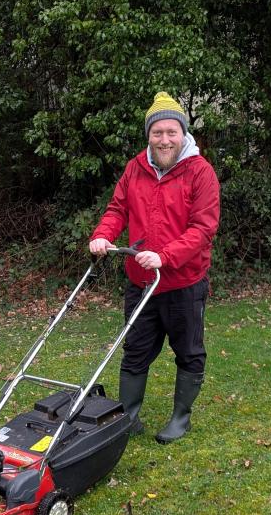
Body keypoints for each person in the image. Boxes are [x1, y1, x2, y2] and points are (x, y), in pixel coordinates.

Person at [89, 92, 220, 443]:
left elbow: (203, 228)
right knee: (135, 350)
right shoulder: (136, 167)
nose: (164, 139)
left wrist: (166, 256)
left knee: (188, 351)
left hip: (183, 283)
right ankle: (128, 417)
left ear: (183, 134)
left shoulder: (200, 172)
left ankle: (181, 418)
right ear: (149, 134)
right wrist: (103, 236)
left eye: (171, 132)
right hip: (141, 281)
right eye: (157, 132)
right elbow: (117, 209)